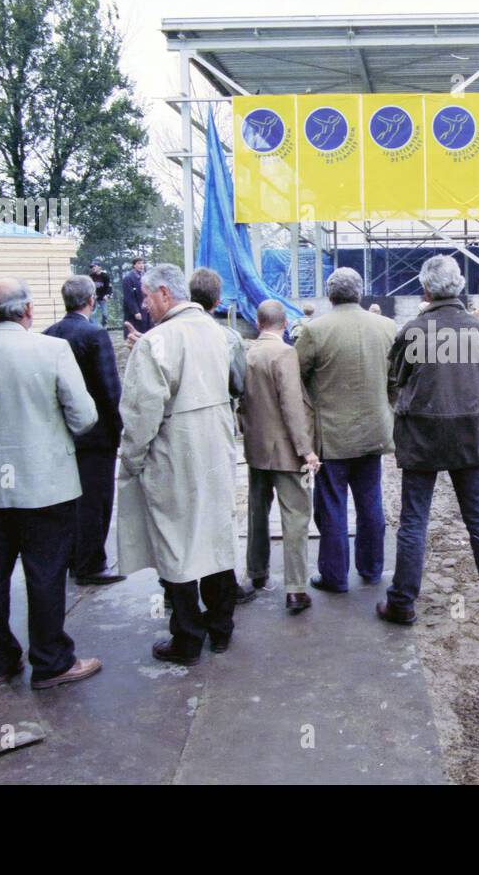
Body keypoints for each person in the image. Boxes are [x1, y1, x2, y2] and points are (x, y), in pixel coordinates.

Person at [0, 278, 102, 689]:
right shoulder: (51, 350)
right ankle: (51, 660)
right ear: (27, 310)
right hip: (44, 484)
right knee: (45, 572)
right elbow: (84, 416)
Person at [118, 264, 240, 664]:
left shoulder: (156, 342)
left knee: (178, 543)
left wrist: (131, 459)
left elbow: (141, 412)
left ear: (165, 293)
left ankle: (187, 638)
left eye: (147, 297)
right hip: (217, 449)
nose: (144, 305)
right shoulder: (222, 335)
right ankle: (221, 629)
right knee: (216, 536)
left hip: (175, 451)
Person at [379, 256, 479, 624]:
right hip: (468, 432)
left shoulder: (413, 331)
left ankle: (402, 602)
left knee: (414, 520)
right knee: (478, 517)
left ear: (427, 288)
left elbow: (397, 379)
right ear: (460, 286)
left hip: (422, 434)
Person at [296, 267, 397, 592]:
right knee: (371, 503)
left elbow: (295, 375)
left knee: (332, 507)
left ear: (330, 293)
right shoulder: (387, 327)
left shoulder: (314, 330)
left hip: (332, 435)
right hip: (374, 431)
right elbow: (397, 378)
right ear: (361, 291)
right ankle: (371, 569)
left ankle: (335, 576)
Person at [43, 275, 125, 585]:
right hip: (96, 435)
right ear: (92, 300)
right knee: (95, 500)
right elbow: (108, 388)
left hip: (62, 434)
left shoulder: (49, 334)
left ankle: (71, 558)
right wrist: (119, 430)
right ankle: (91, 563)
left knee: (68, 502)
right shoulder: (95, 335)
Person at [242, 300, 319, 613]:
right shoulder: (285, 353)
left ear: (259, 323)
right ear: (285, 323)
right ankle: (296, 588)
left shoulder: (247, 353)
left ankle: (256, 572)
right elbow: (292, 405)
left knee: (257, 513)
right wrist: (307, 450)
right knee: (296, 517)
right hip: (287, 452)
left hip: (255, 447)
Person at [189, 267, 246, 403]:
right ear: (217, 302)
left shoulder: (169, 335)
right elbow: (238, 386)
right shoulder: (231, 338)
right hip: (218, 411)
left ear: (190, 297)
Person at [121, 257, 147, 337]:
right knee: (133, 331)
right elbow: (129, 297)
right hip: (133, 311)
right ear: (134, 265)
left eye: (142, 263)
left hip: (144, 308)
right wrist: (135, 311)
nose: (141, 265)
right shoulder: (128, 278)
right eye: (139, 263)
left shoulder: (145, 277)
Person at [88, 261, 113, 327]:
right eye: (92, 267)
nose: (93, 268)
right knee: (93, 313)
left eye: (94, 266)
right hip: (94, 297)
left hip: (103, 297)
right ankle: (95, 327)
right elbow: (89, 287)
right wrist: (92, 295)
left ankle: (104, 326)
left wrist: (107, 295)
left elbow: (109, 287)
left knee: (104, 313)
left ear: (99, 267)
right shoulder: (91, 276)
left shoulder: (105, 276)